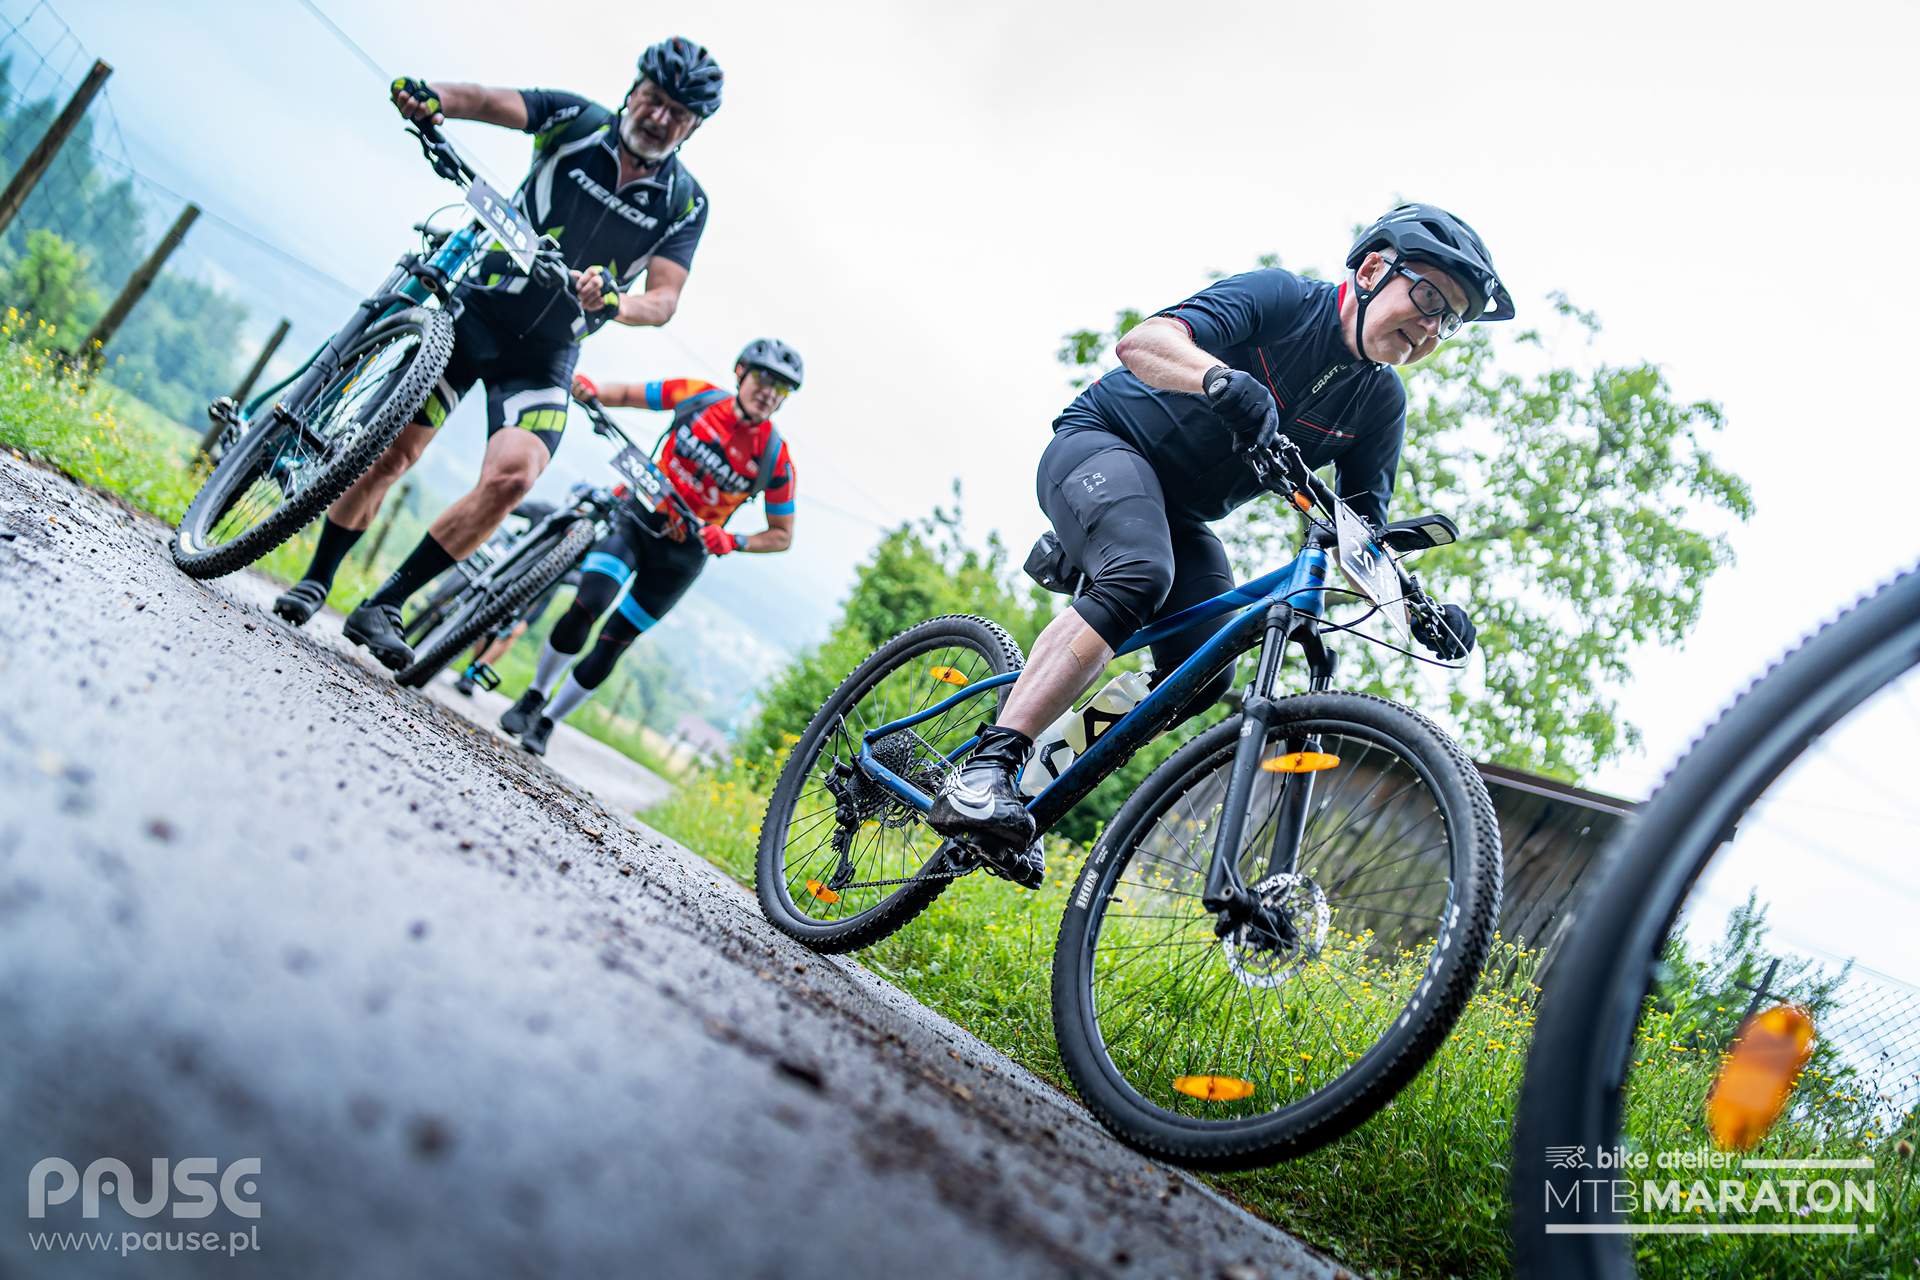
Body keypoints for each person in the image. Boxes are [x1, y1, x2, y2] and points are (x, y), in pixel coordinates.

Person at [928, 204, 1512, 886]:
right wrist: (1218, 379)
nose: (1433, 327)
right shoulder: (1283, 298)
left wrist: (1415, 607)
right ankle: (986, 770)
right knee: (1139, 574)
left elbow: (1359, 534)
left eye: (1450, 320)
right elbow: (1143, 343)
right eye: (1431, 298)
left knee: (1204, 673)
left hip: (1179, 517)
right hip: (1102, 443)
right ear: (1373, 270)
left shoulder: (1381, 404)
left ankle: (1028, 784)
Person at [271, 38, 724, 675]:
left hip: (546, 353)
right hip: (478, 314)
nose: (658, 118)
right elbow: (486, 101)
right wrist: (433, 98)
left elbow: (665, 299)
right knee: (394, 452)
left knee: (514, 477)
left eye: (678, 114)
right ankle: (318, 576)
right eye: (653, 99)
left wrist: (617, 300)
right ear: (633, 91)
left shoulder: (685, 202)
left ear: (693, 128)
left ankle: (386, 604)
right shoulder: (576, 121)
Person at [500, 338, 802, 755]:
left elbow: (781, 534)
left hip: (682, 556)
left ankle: (549, 721)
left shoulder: (775, 458)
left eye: (781, 388)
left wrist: (734, 540)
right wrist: (593, 391)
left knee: (615, 640)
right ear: (741, 372)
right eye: (764, 379)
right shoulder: (698, 397)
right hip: (638, 516)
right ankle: (535, 694)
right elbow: (628, 394)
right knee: (589, 602)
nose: (769, 392)